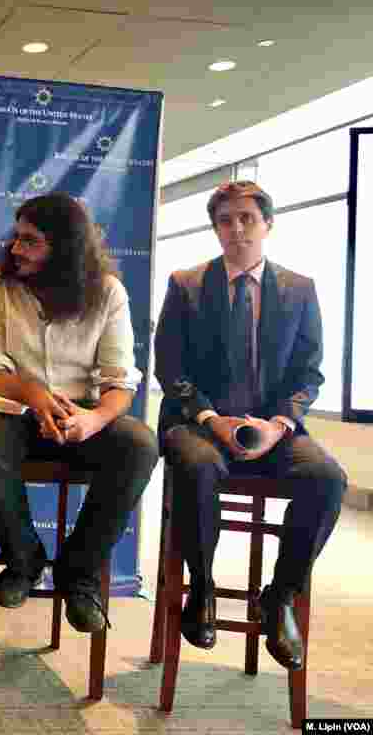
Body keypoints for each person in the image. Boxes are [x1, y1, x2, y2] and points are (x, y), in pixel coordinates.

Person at [154, 180, 346, 670]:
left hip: (275, 428)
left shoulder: (301, 289)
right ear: (215, 228)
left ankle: (279, 597)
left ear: (267, 224)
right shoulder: (186, 283)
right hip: (199, 423)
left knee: (327, 478)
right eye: (225, 220)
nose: (236, 228)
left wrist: (279, 425)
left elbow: (309, 372)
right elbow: (170, 368)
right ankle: (202, 586)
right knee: (195, 468)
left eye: (247, 218)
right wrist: (213, 420)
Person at [0, 193, 158, 631]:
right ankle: (23, 558)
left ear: (64, 247)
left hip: (79, 416)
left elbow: (120, 383)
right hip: (11, 410)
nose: (16, 249)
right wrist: (32, 394)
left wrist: (93, 420)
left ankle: (80, 573)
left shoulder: (108, 292)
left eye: (30, 241)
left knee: (139, 444)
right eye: (17, 237)